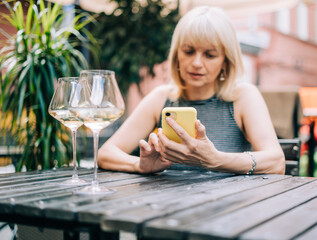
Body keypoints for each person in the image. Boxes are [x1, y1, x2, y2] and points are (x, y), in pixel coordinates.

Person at [98, 6, 285, 175]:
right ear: (176, 55)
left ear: (225, 61)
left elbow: (276, 162)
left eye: (210, 55)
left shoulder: (242, 97)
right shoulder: (161, 98)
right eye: (188, 51)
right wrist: (139, 165)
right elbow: (106, 154)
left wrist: (215, 160)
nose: (196, 63)